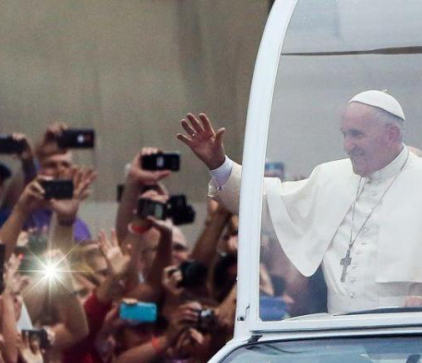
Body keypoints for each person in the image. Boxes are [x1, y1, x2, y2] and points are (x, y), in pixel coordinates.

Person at [178, 90, 422, 314]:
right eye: (345, 134)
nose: (348, 145)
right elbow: (265, 202)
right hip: (344, 335)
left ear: (391, 135)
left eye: (357, 134)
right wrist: (219, 165)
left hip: (407, 338)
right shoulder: (331, 178)